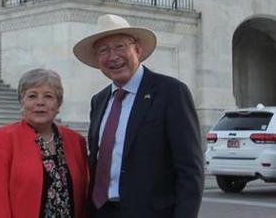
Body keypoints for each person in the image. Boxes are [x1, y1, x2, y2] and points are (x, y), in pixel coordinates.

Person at [72, 14, 204, 218]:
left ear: (138, 49)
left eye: (119, 47)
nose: (113, 57)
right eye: (104, 50)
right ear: (98, 60)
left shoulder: (170, 92)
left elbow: (189, 169)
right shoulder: (98, 101)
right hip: (102, 212)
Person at [0, 69, 89, 218]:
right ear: (22, 101)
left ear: (58, 104)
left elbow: (84, 197)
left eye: (48, 96)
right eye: (32, 96)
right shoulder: (2, 140)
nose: (40, 102)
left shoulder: (76, 141)